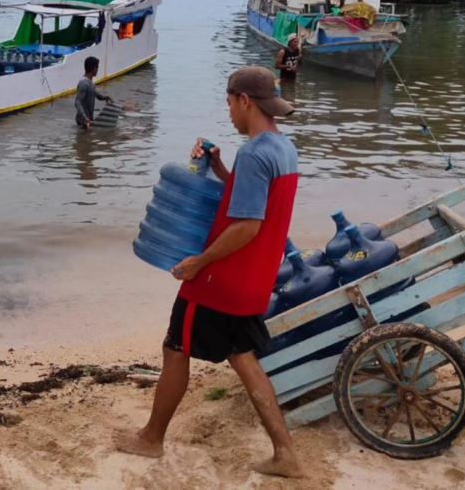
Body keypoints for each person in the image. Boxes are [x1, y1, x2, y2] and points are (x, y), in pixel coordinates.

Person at [114, 65, 305, 480]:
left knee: (175, 348)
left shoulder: (254, 153)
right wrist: (219, 167)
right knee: (242, 355)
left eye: (230, 105)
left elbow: (246, 225)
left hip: (221, 281)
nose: (231, 115)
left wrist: (199, 263)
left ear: (245, 101)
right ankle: (285, 453)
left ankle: (150, 439)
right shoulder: (281, 148)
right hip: (254, 278)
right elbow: (254, 201)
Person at [75, 56, 113, 129]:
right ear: (94, 69)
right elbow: (77, 102)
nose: (98, 70)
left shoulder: (90, 83)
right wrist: (85, 117)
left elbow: (95, 94)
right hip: (83, 121)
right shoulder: (84, 84)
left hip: (87, 119)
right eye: (97, 67)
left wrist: (104, 97)